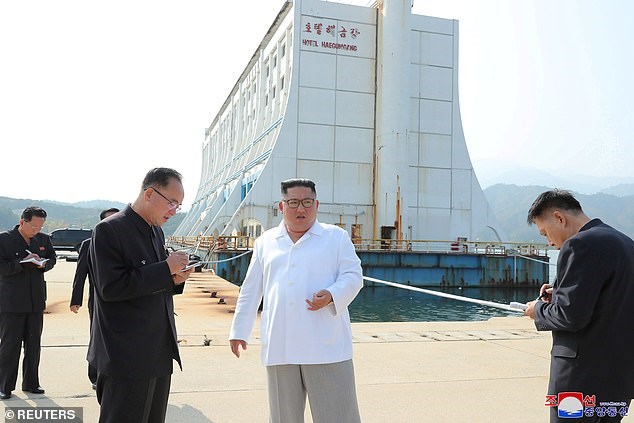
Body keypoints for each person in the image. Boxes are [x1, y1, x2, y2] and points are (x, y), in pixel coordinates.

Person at [230, 178, 364, 423]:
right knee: (284, 417)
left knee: (338, 416)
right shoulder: (265, 242)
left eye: (307, 202)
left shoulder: (336, 237)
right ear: (282, 206)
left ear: (316, 205)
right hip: (281, 345)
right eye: (293, 202)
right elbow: (250, 290)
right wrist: (239, 331)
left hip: (325, 346)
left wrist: (332, 294)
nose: (301, 208)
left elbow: (354, 276)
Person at [88, 168, 193, 422]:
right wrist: (166, 268)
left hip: (158, 351)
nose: (174, 211)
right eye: (171, 203)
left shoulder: (156, 231)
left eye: (178, 206)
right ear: (149, 194)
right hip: (125, 356)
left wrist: (174, 279)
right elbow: (111, 287)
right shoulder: (109, 230)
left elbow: (151, 282)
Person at [524, 189, 634, 422]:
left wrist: (538, 310)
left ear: (559, 218)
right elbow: (611, 298)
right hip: (619, 379)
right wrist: (560, 294)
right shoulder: (625, 243)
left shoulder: (578, 244)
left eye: (545, 233)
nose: (549, 242)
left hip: (578, 382)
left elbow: (570, 315)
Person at [0, 206, 57, 400]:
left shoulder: (43, 239)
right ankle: (4, 386)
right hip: (11, 302)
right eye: (33, 226)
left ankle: (31, 383)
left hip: (36, 301)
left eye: (40, 227)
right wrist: (22, 262)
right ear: (22, 222)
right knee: (10, 345)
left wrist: (44, 264)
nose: (36, 230)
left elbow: (52, 258)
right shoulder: (4, 239)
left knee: (34, 344)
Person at [69, 207, 119, 390]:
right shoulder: (89, 244)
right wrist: (76, 300)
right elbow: (80, 274)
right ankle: (95, 376)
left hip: (123, 301)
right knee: (98, 338)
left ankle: (115, 374)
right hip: (98, 301)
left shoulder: (125, 243)